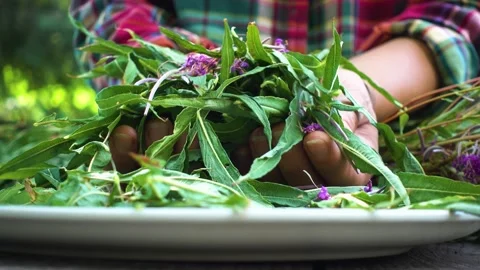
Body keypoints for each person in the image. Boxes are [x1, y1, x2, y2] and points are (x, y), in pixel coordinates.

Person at [70, 0, 480, 187]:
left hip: (385, 154)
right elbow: (110, 13)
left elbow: (458, 20)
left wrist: (348, 95)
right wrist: (176, 87)